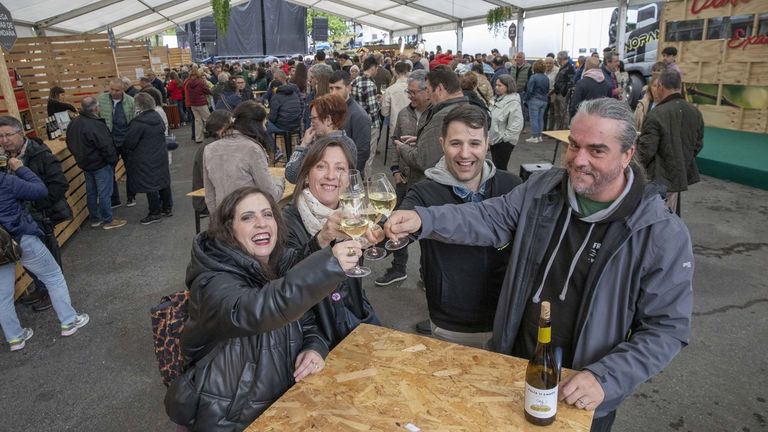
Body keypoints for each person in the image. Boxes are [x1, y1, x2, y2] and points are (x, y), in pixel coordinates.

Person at [385, 97, 694, 431]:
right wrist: (422, 218)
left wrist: (607, 378)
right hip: (516, 367)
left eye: (597, 150)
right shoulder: (542, 190)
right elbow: (488, 217)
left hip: (583, 391)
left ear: (628, 154)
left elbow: (667, 327)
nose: (579, 160)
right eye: (574, 145)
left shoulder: (659, 231)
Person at [165, 186, 363, 431]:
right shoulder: (211, 281)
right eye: (247, 217)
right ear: (229, 229)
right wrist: (328, 264)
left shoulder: (272, 262)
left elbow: (306, 319)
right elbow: (255, 310)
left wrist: (314, 348)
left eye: (267, 214)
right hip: (227, 418)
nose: (261, 223)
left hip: (283, 407)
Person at [401, 104, 522, 345]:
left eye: (474, 144)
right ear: (442, 143)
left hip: (509, 316)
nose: (465, 154)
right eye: (456, 143)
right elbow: (401, 228)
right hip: (453, 323)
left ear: (487, 143)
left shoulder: (513, 186)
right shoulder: (423, 192)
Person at [283, 141, 380, 347]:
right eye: (321, 166)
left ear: (348, 179)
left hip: (352, 317)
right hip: (310, 336)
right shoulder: (285, 221)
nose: (331, 175)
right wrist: (321, 239)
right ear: (306, 176)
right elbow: (284, 277)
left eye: (340, 168)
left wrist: (383, 236)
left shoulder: (353, 215)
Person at [0, 155, 90, 352]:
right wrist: (21, 169)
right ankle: (69, 321)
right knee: (53, 276)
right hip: (21, 237)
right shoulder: (6, 181)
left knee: (2, 296)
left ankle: (15, 338)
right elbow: (40, 190)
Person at [0, 116, 70, 312]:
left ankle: (52, 294)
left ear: (20, 133)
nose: (4, 140)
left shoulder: (40, 154)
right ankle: (41, 287)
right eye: (0, 136)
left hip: (41, 216)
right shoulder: (3, 159)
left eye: (8, 135)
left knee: (49, 257)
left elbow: (59, 185)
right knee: (28, 260)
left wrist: (37, 206)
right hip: (17, 223)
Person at [375, 69, 432, 287]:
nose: (410, 96)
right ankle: (398, 269)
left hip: (427, 184)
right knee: (397, 226)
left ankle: (427, 275)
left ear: (428, 91)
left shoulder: (436, 116)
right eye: (408, 92)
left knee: (428, 232)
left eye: (414, 92)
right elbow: (394, 141)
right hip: (404, 181)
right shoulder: (404, 114)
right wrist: (395, 170)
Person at [637, 68, 704, 214]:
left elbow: (645, 151)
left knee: (654, 217)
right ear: (679, 87)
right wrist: (683, 159)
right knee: (671, 215)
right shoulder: (694, 112)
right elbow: (698, 144)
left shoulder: (657, 114)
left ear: (660, 87)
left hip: (657, 180)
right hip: (679, 176)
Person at [203, 101, 284, 211]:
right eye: (264, 124)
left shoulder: (209, 149)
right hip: (248, 216)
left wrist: (216, 219)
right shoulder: (253, 149)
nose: (265, 129)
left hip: (223, 216)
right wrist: (280, 182)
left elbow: (209, 194)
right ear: (256, 125)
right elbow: (271, 194)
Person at [396, 66, 468, 187]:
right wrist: (421, 140)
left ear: (439, 88)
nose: (428, 97)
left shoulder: (443, 116)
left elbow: (422, 160)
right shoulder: (465, 108)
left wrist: (402, 148)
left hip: (431, 186)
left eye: (429, 91)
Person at [66, 97, 126, 230]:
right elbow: (106, 145)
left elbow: (69, 142)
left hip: (85, 164)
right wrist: (112, 160)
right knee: (104, 192)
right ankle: (108, 220)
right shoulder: (96, 124)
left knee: (91, 191)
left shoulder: (74, 123)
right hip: (100, 164)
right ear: (95, 108)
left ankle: (95, 218)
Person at [122, 93, 172, 225]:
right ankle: (167, 207)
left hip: (144, 157)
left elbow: (129, 142)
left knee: (150, 186)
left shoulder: (138, 123)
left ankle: (154, 212)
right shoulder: (157, 117)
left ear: (139, 106)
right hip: (160, 154)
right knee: (163, 181)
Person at [285, 93, 357, 184]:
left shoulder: (317, 147)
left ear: (328, 120)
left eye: (314, 118)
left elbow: (291, 175)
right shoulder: (350, 144)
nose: (311, 123)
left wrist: (303, 145)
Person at [97, 77, 135, 207]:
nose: (114, 92)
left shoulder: (130, 101)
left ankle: (131, 196)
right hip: (109, 141)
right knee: (109, 171)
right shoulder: (102, 99)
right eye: (112, 89)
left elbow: (133, 120)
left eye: (117, 90)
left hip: (126, 140)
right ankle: (115, 199)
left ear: (123, 89)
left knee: (130, 169)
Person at [192, 110, 232, 219]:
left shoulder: (211, 143)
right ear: (223, 127)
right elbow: (217, 180)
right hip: (207, 199)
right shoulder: (212, 147)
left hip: (210, 195)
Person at [329, 70, 371, 171]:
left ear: (348, 88)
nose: (333, 92)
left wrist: (349, 175)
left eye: (338, 88)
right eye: (331, 88)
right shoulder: (332, 108)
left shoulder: (359, 115)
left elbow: (362, 153)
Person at [351, 56, 381, 177]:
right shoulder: (369, 84)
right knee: (369, 155)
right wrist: (380, 102)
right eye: (377, 68)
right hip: (371, 123)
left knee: (357, 152)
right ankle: (366, 180)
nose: (377, 70)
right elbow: (373, 110)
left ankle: (355, 176)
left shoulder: (355, 81)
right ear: (373, 67)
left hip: (356, 122)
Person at [489, 75, 523, 171]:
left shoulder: (513, 102)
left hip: (503, 142)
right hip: (495, 140)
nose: (496, 88)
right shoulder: (497, 98)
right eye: (496, 85)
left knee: (500, 168)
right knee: (496, 166)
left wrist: (505, 138)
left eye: (500, 85)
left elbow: (516, 124)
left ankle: (503, 185)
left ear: (508, 86)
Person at [525, 60, 550, 143]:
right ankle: (539, 136)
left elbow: (529, 90)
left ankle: (534, 136)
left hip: (534, 99)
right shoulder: (546, 77)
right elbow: (547, 89)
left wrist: (526, 99)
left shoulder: (533, 77)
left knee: (534, 119)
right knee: (540, 118)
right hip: (544, 100)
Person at [185, 70, 212, 144]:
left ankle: (198, 138)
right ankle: (213, 135)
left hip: (193, 104)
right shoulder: (201, 82)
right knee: (208, 119)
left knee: (198, 121)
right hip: (202, 104)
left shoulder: (188, 83)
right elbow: (207, 91)